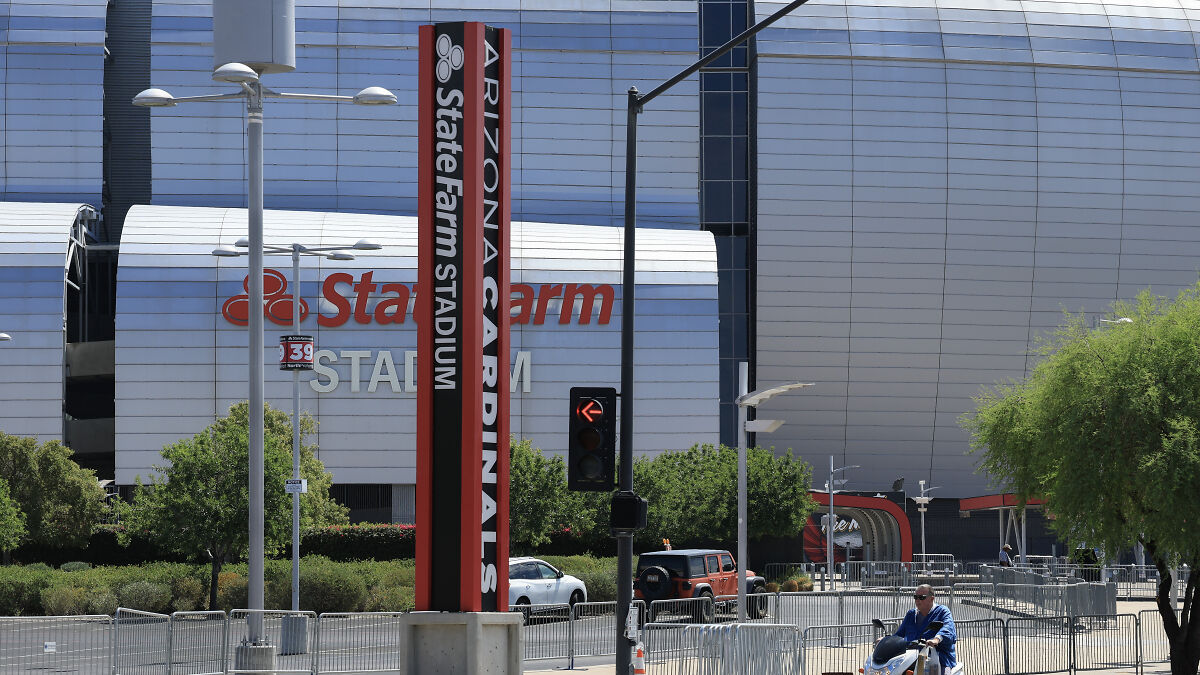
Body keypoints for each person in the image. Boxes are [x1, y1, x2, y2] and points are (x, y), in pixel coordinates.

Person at [892, 584, 957, 675]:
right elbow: (899, 634)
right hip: (911, 657)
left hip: (938, 657)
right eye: (916, 597)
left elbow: (948, 628)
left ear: (932, 599)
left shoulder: (942, 611)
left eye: (921, 597)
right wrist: (886, 640)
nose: (918, 600)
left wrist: (936, 639)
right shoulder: (911, 614)